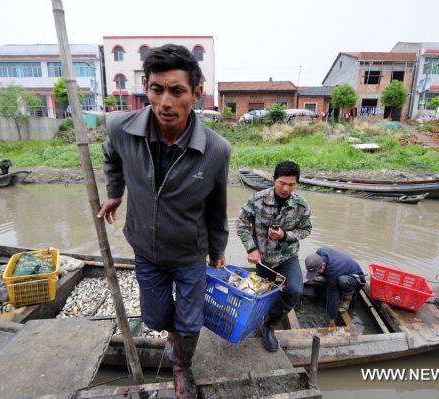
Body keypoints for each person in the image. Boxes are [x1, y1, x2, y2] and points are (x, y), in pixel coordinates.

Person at [97, 44, 231, 399]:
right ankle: (172, 336)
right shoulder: (120, 127)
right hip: (146, 247)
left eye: (177, 91)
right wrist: (115, 191)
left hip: (190, 252)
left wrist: (217, 250)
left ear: (197, 94)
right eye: (157, 90)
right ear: (146, 88)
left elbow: (217, 206)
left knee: (190, 324)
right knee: (156, 319)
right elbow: (110, 155)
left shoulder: (217, 149)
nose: (165, 102)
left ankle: (182, 366)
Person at [236, 161, 312, 352]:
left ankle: (268, 326)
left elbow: (306, 230)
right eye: (282, 183)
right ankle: (254, 319)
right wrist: (251, 248)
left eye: (291, 184)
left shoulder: (301, 205)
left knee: (294, 290)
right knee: (261, 293)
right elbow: (242, 225)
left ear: (297, 183)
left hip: (287, 257)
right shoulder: (256, 200)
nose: (286, 188)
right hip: (262, 258)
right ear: (274, 180)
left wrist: (286, 236)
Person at [304, 247, 366, 327]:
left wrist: (332, 319)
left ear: (323, 265)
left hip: (355, 279)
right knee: (320, 278)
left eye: (317, 271)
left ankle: (346, 298)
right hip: (341, 270)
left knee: (343, 281)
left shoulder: (334, 271)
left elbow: (332, 295)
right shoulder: (320, 252)